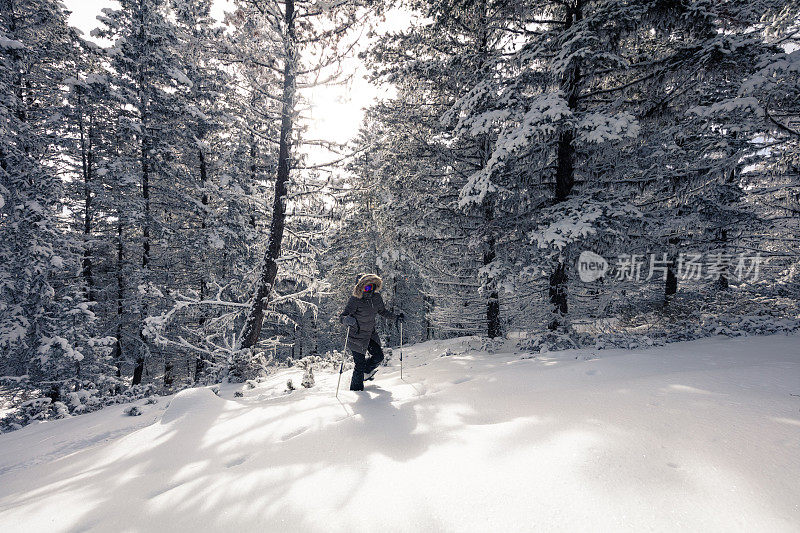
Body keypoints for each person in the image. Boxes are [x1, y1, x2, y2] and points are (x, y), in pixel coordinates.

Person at [339, 273, 404, 391]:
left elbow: (383, 311)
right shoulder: (355, 300)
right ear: (360, 287)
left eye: (372, 286)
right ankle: (356, 391)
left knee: (378, 356)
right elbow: (342, 316)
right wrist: (346, 320)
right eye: (367, 287)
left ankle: (366, 373)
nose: (369, 290)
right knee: (359, 365)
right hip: (356, 337)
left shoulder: (376, 298)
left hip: (370, 335)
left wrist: (396, 318)